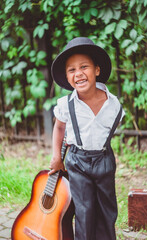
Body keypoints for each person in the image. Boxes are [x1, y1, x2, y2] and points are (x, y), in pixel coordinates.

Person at [49, 37, 125, 240]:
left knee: (106, 210)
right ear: (67, 76)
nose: (78, 73)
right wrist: (57, 156)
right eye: (71, 70)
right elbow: (59, 127)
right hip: (77, 161)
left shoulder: (113, 104)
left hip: (104, 160)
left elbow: (112, 127)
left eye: (84, 67)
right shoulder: (66, 104)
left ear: (97, 70)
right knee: (84, 210)